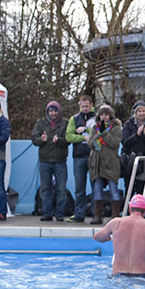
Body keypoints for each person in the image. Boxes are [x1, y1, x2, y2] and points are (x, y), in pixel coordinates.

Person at [93, 194, 145, 276]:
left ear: (130, 209)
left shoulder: (116, 222)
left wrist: (106, 238)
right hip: (140, 276)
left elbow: (97, 237)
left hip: (118, 276)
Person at [31, 101, 69, 222]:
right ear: (47, 112)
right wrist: (41, 140)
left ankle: (60, 214)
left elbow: (69, 139)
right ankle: (46, 213)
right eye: (51, 111)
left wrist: (60, 140)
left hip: (60, 160)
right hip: (44, 161)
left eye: (55, 111)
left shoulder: (65, 123)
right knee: (45, 189)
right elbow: (34, 139)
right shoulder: (40, 123)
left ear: (59, 111)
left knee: (61, 189)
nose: (53, 113)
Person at [88, 104, 122, 225]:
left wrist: (105, 133)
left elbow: (114, 143)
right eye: (101, 114)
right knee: (97, 190)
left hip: (111, 163)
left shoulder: (116, 127)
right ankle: (98, 216)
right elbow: (90, 144)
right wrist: (99, 132)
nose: (104, 117)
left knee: (113, 189)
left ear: (110, 115)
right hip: (96, 163)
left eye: (106, 114)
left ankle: (115, 216)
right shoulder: (94, 127)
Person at [66, 95, 97, 223]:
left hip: (94, 155)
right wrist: (83, 138)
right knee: (80, 187)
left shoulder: (98, 117)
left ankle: (97, 214)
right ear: (79, 105)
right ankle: (79, 214)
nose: (84, 108)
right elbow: (69, 137)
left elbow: (102, 133)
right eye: (82, 106)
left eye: (86, 106)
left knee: (96, 186)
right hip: (78, 156)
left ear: (91, 105)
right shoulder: (74, 119)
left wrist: (86, 130)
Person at [120, 100, 145, 197]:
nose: (141, 113)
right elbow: (125, 142)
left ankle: (140, 210)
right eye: (139, 111)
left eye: (143, 111)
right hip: (129, 158)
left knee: (141, 186)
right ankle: (128, 209)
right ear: (135, 113)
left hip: (143, 159)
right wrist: (137, 135)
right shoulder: (128, 124)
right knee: (129, 186)